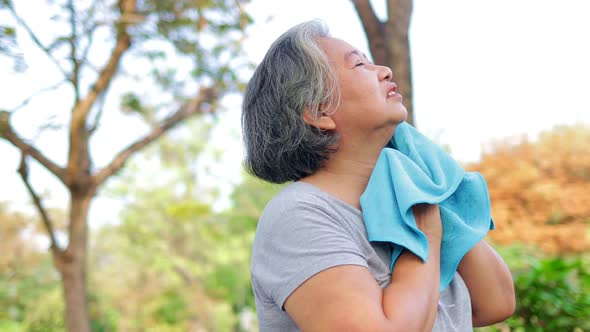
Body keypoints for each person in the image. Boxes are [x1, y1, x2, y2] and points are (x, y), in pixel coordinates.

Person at [242, 20, 515, 331]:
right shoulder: (300, 216)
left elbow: (496, 302)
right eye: (360, 64)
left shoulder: (407, 196)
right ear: (320, 112)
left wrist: (430, 192)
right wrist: (424, 232)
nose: (384, 71)